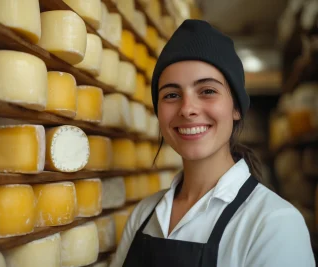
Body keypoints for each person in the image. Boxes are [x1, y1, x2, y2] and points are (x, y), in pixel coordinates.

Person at [109, 19, 315, 267]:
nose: (187, 109)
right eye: (171, 95)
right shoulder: (144, 214)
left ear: (236, 107)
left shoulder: (275, 223)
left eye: (207, 91)